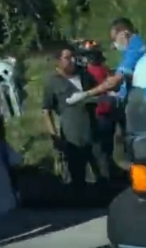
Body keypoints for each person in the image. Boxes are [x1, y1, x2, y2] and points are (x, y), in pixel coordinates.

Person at [43, 45, 100, 189]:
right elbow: (46, 110)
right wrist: (53, 135)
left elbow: (99, 92)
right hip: (72, 136)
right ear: (58, 61)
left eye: (73, 57)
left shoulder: (85, 75)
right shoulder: (53, 82)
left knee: (102, 170)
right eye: (67, 58)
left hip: (93, 130)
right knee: (77, 174)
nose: (72, 60)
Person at [83, 49, 118, 180]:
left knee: (101, 146)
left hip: (99, 112)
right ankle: (108, 171)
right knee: (107, 145)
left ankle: (105, 174)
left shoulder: (87, 72)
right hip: (107, 110)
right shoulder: (104, 69)